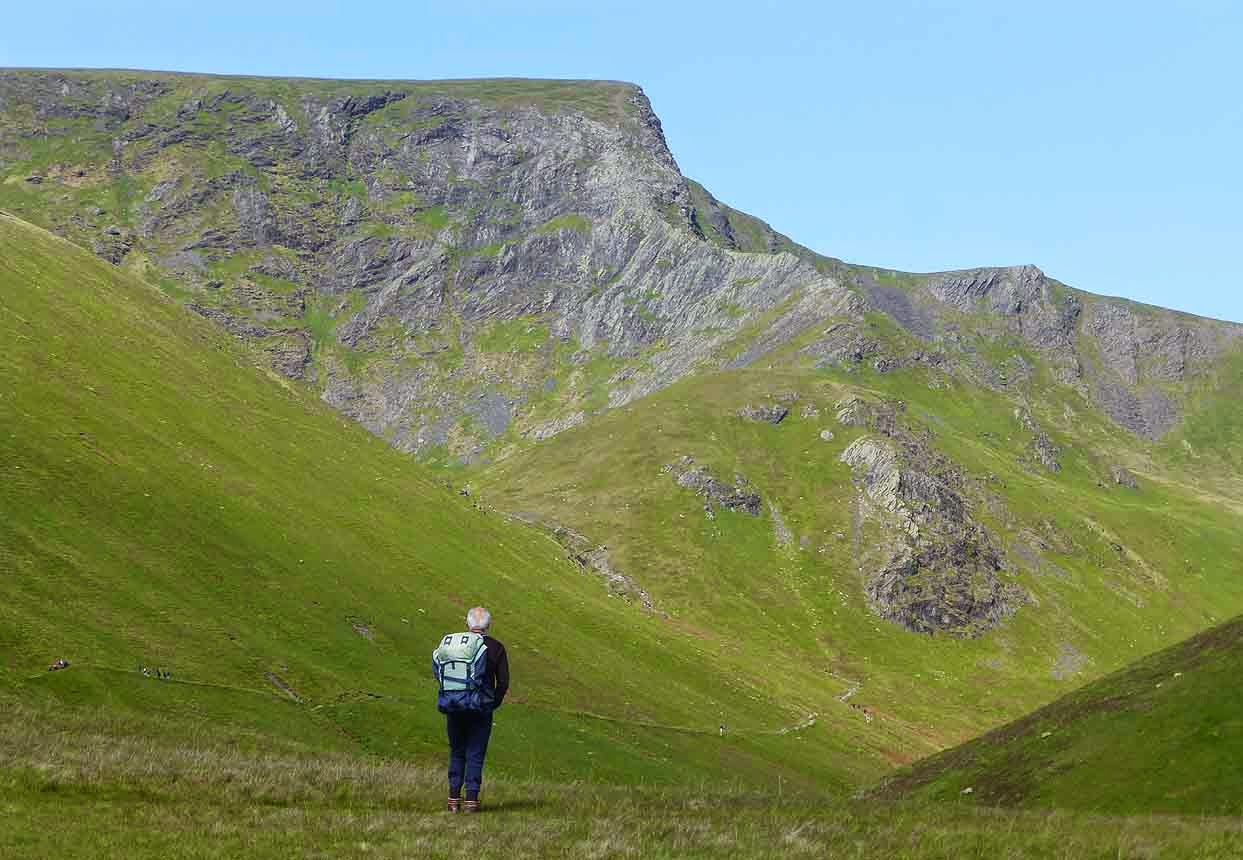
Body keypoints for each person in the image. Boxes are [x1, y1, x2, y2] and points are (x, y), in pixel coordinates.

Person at [432, 606, 509, 813]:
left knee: (457, 751)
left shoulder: (454, 646)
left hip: (454, 704)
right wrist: (493, 703)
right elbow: (503, 682)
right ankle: (471, 800)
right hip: (481, 707)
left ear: (467, 624)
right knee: (475, 752)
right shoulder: (495, 647)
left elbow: (438, 672)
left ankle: (453, 799)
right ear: (488, 626)